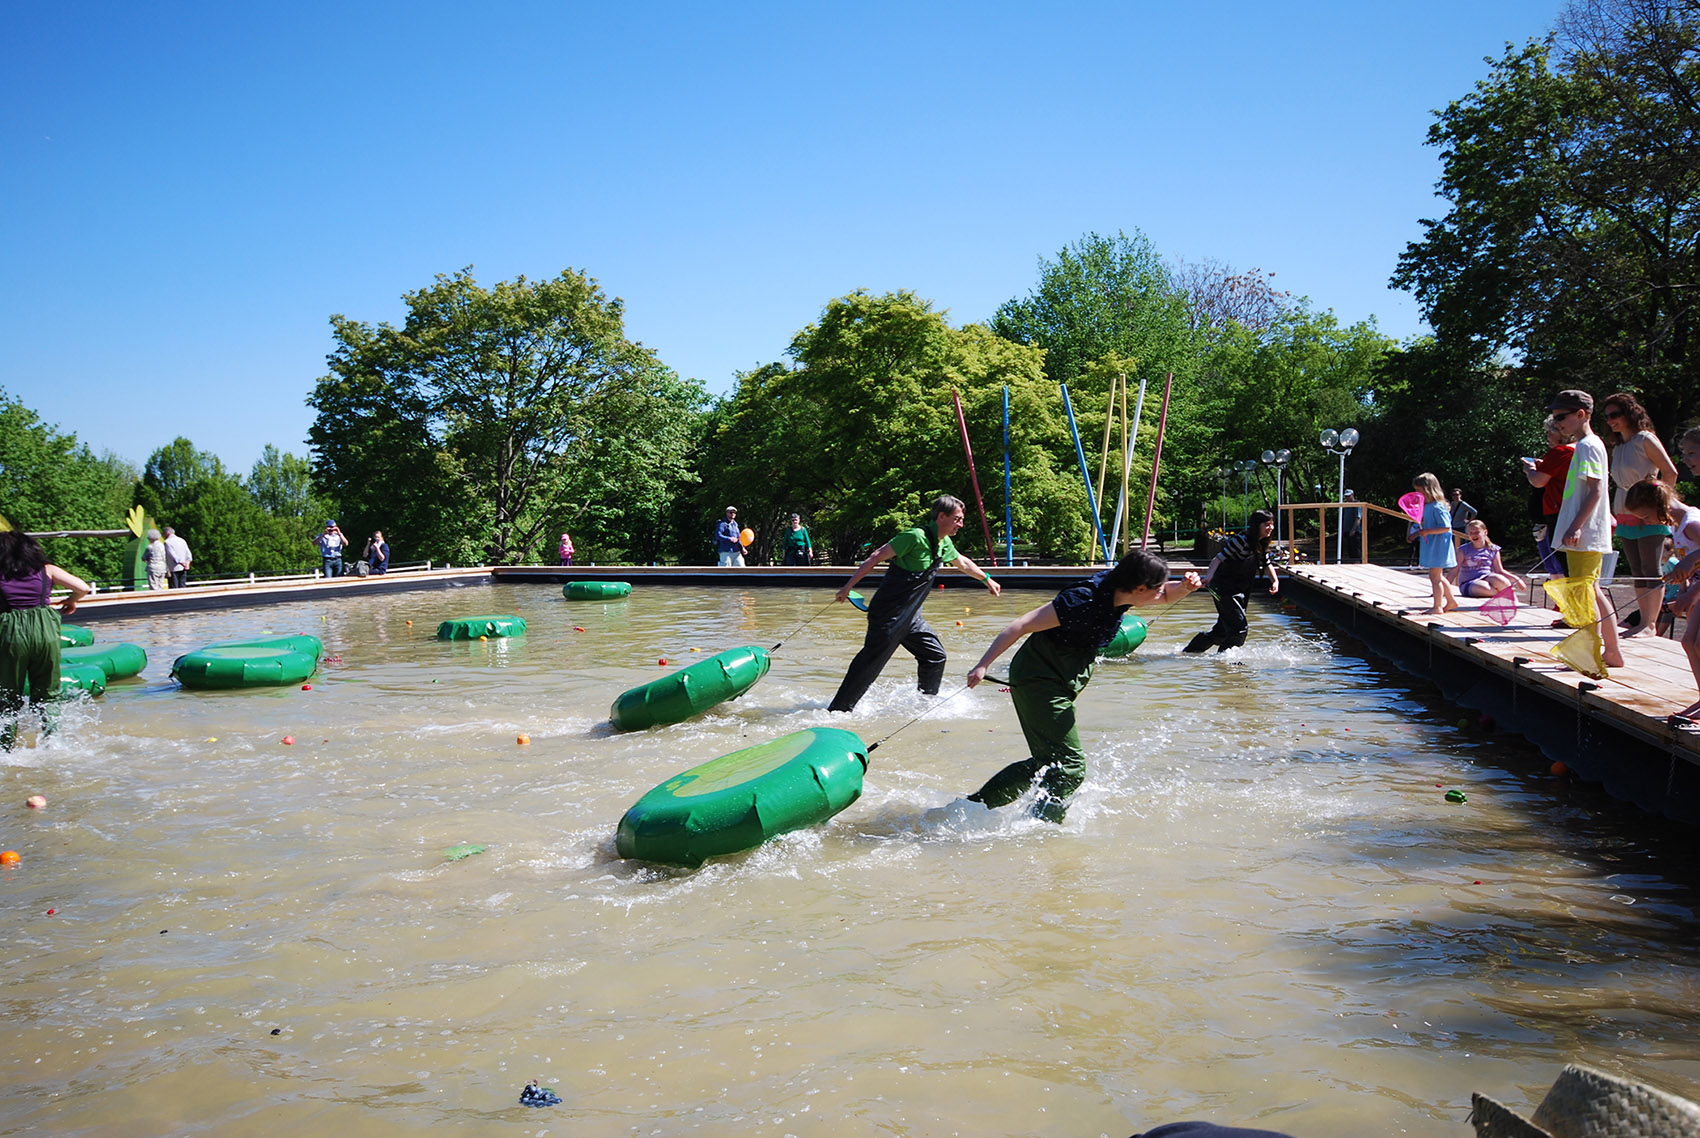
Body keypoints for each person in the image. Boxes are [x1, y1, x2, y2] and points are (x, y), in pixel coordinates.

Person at [965, 549, 1202, 821]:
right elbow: (1020, 625)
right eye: (1157, 588)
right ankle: (1041, 830)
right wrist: (983, 665)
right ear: (1140, 588)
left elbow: (1169, 595)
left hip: (1060, 679)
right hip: (1039, 680)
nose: (1162, 594)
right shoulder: (1082, 599)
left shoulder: (1123, 593)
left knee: (1049, 762)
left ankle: (974, 808)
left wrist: (1185, 587)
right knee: (1070, 767)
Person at [828, 495, 1000, 712]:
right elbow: (875, 557)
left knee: (935, 656)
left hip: (911, 617)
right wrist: (847, 588)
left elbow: (963, 562)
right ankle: (838, 712)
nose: (961, 524)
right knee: (869, 664)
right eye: (957, 519)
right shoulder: (913, 537)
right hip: (888, 616)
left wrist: (987, 579)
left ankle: (924, 705)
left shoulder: (943, 542)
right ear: (941, 516)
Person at [1549, 389, 1625, 670]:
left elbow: (1596, 489)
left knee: (1583, 594)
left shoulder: (1589, 445)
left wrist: (1576, 526)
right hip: (1584, 531)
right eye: (1555, 417)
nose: (1557, 423)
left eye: (1561, 417)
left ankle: (1587, 654)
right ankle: (1612, 653)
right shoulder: (1584, 445)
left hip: (1585, 532)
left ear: (1581, 415)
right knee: (1590, 590)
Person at [0, 531, 92, 750]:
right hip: (46, 629)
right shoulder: (47, 569)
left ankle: (5, 749)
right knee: (48, 694)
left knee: (6, 696)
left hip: (10, 631)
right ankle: (53, 744)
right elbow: (83, 587)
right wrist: (71, 601)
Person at [1601, 391, 1679, 637]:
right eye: (1607, 416)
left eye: (1616, 414)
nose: (1611, 420)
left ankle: (1650, 623)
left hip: (1648, 510)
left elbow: (1670, 472)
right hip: (1624, 509)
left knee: (1650, 567)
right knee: (1636, 568)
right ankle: (1642, 622)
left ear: (1630, 413)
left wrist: (1659, 505)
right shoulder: (1619, 445)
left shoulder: (1645, 438)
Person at [1623, 477, 1700, 718]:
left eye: (1645, 517)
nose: (1645, 523)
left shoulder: (1691, 523)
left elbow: (1694, 558)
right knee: (1689, 643)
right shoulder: (1677, 525)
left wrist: (1690, 573)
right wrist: (1685, 586)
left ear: (1658, 505)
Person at [1185, 509, 1278, 653]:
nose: (1270, 528)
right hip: (1224, 588)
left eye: (1272, 524)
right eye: (1266, 524)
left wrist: (1275, 581)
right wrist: (1209, 577)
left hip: (1241, 589)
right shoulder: (1241, 540)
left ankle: (1190, 653)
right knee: (1239, 628)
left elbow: (1266, 563)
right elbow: (1218, 558)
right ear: (1256, 525)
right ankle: (1226, 662)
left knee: (1221, 631)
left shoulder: (1261, 543)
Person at [1521, 414, 1575, 576]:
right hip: (1572, 512)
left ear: (1561, 431)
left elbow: (1538, 481)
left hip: (1558, 513)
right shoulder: (1579, 449)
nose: (1548, 437)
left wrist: (1530, 469)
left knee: (1565, 568)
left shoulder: (1560, 452)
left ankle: (1570, 601)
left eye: (1550, 432)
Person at [1413, 473, 1459, 615]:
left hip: (1439, 545)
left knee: (1434, 576)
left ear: (1427, 489)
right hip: (1432, 544)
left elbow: (1446, 527)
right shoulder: (1428, 506)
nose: (1417, 493)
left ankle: (1437, 606)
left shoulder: (1438, 506)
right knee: (1437, 576)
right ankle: (1451, 601)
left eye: (1418, 490)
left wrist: (1428, 531)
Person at [1456, 520, 1527, 598]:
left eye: (1477, 532)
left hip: (1486, 577)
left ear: (1485, 532)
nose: (1474, 535)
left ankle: (1514, 602)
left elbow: (1499, 570)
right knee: (1485, 588)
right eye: (1471, 533)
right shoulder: (1463, 550)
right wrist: (1445, 588)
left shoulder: (1493, 549)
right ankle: (1506, 592)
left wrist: (1517, 579)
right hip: (1468, 582)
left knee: (1502, 580)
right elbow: (1454, 570)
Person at [1341, 489, 1362, 556]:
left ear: (1352, 495)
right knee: (1350, 552)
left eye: (1348, 496)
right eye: (1346, 496)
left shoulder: (1356, 505)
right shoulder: (1346, 506)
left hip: (1355, 532)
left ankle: (1357, 564)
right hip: (1347, 531)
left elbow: (1358, 518)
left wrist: (1353, 530)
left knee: (1356, 552)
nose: (1347, 498)